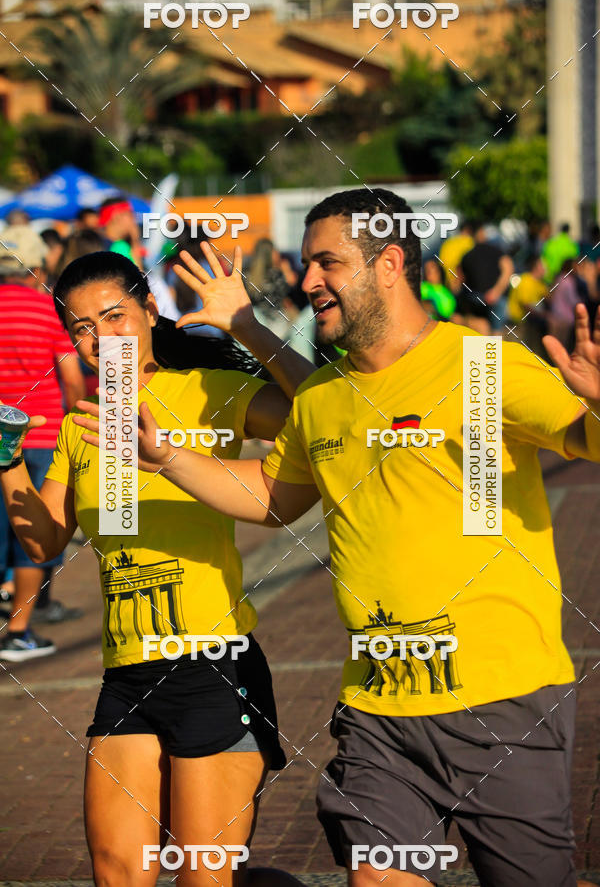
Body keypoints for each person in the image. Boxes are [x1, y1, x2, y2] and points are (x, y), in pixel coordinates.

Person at [122, 187, 600, 887]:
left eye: (327, 263)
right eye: (307, 264)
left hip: (505, 704)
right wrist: (170, 458)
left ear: (389, 264)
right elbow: (272, 497)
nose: (307, 279)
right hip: (378, 713)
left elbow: (585, 438)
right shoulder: (322, 396)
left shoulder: (480, 366)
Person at [0, 247, 314, 886]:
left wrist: (248, 330)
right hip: (126, 677)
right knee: (118, 872)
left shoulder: (206, 390)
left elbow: (332, 415)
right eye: (81, 328)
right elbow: (45, 540)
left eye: (113, 316)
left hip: (212, 668)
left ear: (150, 310)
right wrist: (7, 459)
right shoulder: (81, 425)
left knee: (204, 877)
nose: (98, 339)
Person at [0, 226, 86, 657]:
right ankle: (18, 630)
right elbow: (72, 381)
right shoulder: (48, 310)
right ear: (36, 269)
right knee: (31, 532)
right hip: (41, 434)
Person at [457, 224, 514, 335]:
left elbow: (459, 280)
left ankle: (483, 351)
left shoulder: (467, 255)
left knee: (479, 330)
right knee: (496, 333)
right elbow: (508, 269)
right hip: (492, 299)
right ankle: (494, 350)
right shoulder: (497, 251)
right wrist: (496, 292)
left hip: (474, 299)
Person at [506, 254, 549, 356]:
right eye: (543, 267)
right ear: (536, 267)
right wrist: (542, 315)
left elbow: (549, 297)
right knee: (516, 352)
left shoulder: (540, 283)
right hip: (517, 324)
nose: (546, 269)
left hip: (529, 323)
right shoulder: (525, 280)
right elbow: (525, 304)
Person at [438, 219, 474, 293]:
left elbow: (441, 263)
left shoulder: (447, 243)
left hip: (448, 282)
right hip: (464, 283)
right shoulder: (471, 242)